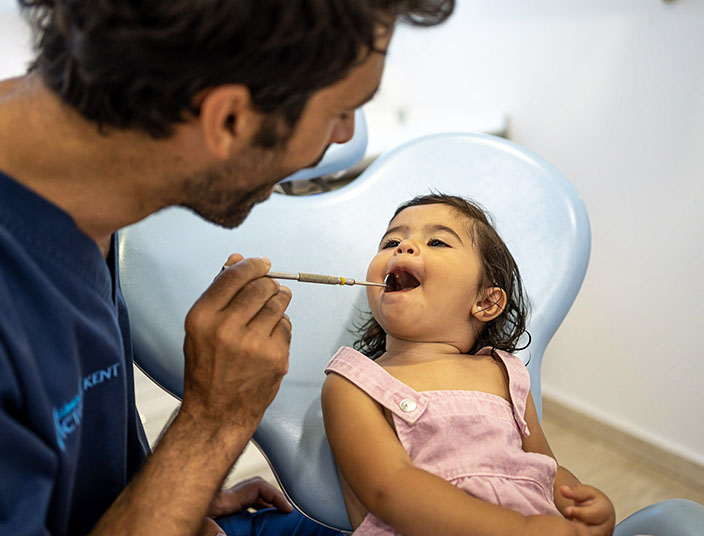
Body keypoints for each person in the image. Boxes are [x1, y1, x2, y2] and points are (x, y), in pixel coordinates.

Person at [0, 1, 455, 535]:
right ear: (228, 119)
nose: (343, 137)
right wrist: (212, 423)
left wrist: (170, 495)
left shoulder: (74, 188)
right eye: (339, 112)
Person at [321, 193, 617, 536]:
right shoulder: (352, 383)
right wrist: (518, 529)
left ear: (486, 301)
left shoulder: (504, 373)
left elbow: (545, 467)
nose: (403, 247)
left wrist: (580, 506)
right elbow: (392, 489)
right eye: (391, 241)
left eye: (436, 241)